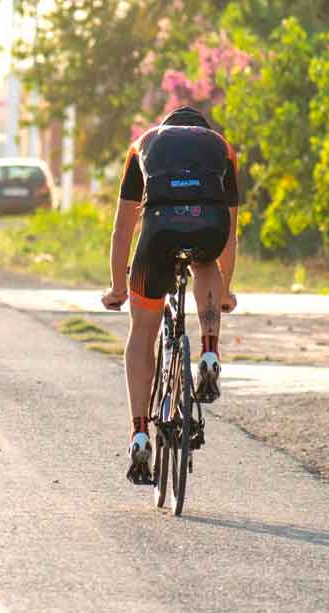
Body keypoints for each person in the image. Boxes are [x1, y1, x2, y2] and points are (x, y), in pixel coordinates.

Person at [101, 106, 239, 484]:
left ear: (168, 128)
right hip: (209, 225)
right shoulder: (221, 146)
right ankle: (210, 349)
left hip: (159, 232)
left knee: (142, 333)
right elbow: (231, 234)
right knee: (207, 261)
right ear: (202, 130)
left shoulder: (144, 144)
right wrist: (224, 292)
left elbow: (122, 230)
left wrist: (117, 287)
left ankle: (140, 433)